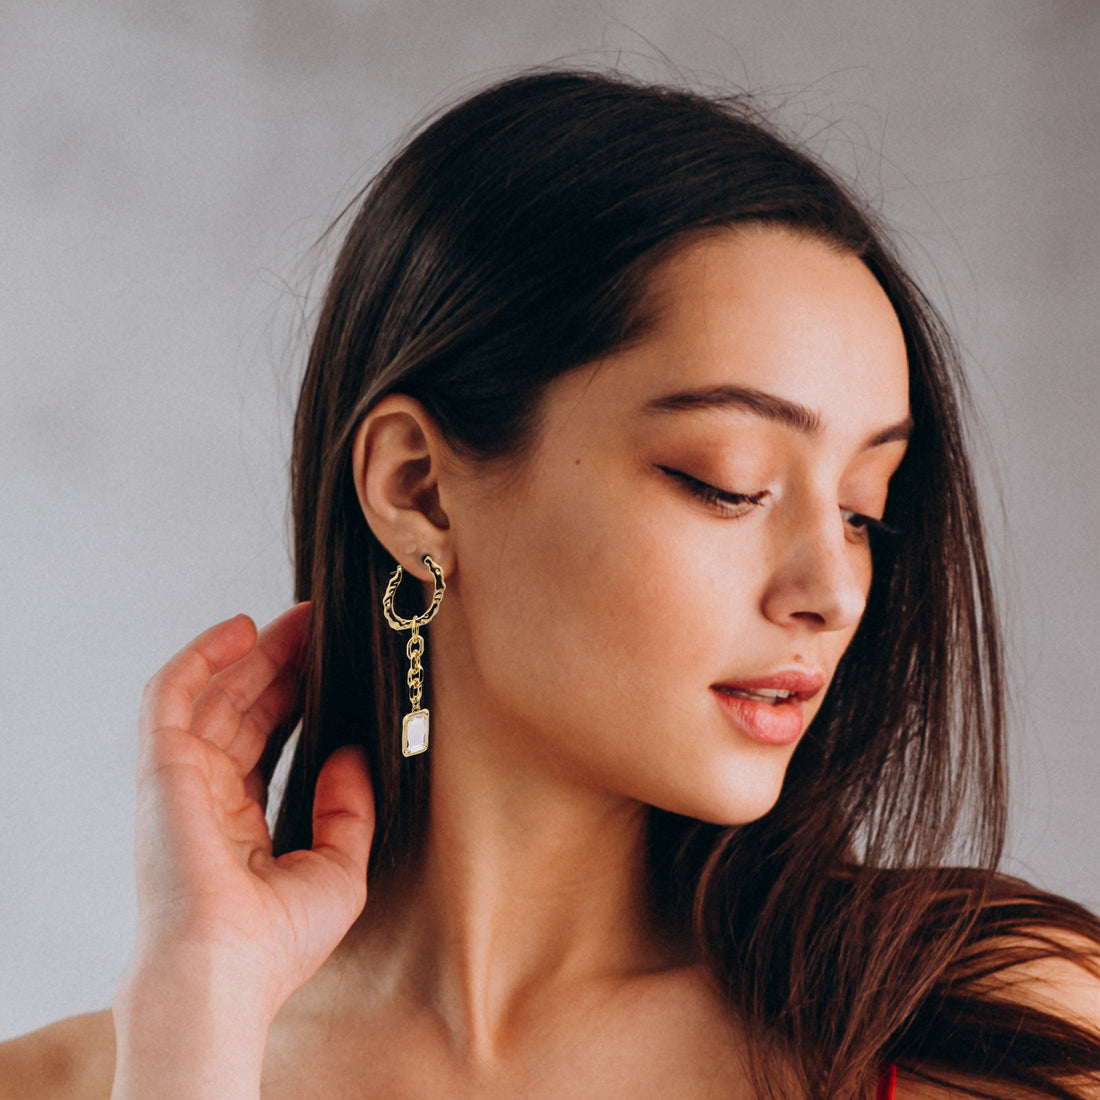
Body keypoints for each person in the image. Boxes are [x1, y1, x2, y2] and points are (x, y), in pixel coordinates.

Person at [3, 69, 1099, 1099]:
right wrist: (197, 1015)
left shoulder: (996, 1026)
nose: (833, 589)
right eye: (725, 483)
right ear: (419, 487)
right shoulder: (86, 1074)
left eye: (863, 508)